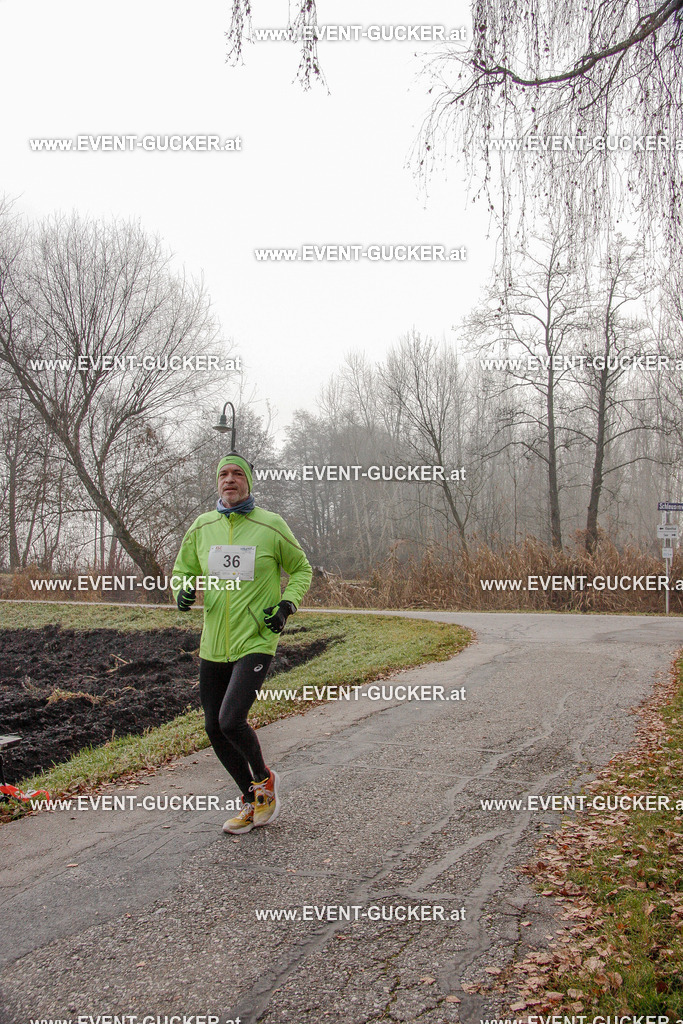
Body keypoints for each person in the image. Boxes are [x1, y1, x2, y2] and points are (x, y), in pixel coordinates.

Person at [172, 453, 312, 834]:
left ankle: (265, 780)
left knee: (231, 720)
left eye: (237, 474)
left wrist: (286, 605)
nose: (229, 479)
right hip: (214, 641)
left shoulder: (270, 525)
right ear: (216, 483)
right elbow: (182, 570)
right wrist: (182, 590)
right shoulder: (202, 527)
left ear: (248, 482)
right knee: (213, 729)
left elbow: (301, 568)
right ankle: (251, 800)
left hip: (256, 638)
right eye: (223, 474)